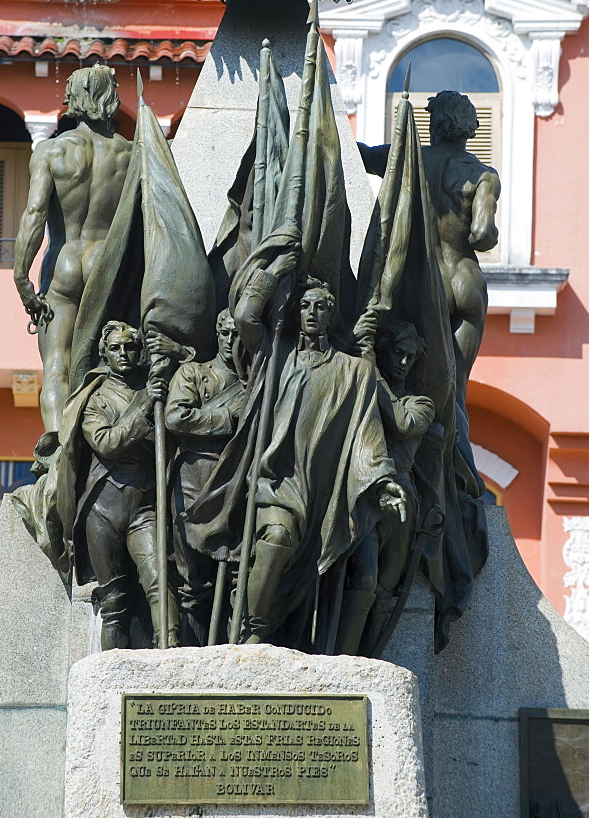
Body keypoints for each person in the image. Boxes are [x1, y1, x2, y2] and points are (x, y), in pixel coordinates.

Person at [232, 250, 398, 645]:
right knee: (275, 540)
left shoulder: (355, 371)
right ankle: (252, 633)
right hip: (275, 480)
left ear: (331, 313)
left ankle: (277, 627)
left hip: (324, 492)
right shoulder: (275, 356)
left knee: (301, 580)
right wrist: (272, 273)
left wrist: (382, 482)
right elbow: (245, 318)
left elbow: (367, 434)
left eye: (320, 307)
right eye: (304, 305)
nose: (310, 313)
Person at [358, 91, 501, 410]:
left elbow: (362, 156)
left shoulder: (409, 158)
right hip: (465, 280)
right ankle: (458, 458)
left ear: (434, 126)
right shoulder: (484, 176)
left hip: (423, 284)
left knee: (409, 378)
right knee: (455, 389)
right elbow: (481, 234)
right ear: (471, 129)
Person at [13, 64, 132, 433]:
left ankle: (56, 452)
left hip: (62, 264)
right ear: (109, 98)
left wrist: (21, 277)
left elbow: (33, 214)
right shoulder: (131, 155)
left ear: (74, 99)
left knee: (57, 366)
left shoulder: (51, 152)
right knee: (107, 363)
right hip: (107, 266)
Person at [75, 320, 180, 650]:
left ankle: (172, 658)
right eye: (116, 348)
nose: (123, 353)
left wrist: (174, 353)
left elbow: (193, 358)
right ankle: (112, 681)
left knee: (158, 581)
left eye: (130, 347)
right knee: (114, 602)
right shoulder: (95, 400)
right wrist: (145, 407)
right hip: (103, 509)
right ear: (105, 354)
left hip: (143, 507)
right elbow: (105, 443)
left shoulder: (156, 387)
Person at [336, 319, 437, 656]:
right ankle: (345, 660)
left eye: (410, 357)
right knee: (363, 579)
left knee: (384, 590)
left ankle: (369, 660)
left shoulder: (421, 403)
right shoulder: (363, 389)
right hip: (365, 491)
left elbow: (400, 422)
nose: (404, 362)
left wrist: (370, 370)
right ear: (385, 352)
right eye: (397, 353)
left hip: (402, 498)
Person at [165, 309, 246, 645]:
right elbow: (176, 416)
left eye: (238, 334)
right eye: (225, 333)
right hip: (192, 477)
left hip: (235, 481)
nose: (231, 341)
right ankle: (192, 658)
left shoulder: (255, 383)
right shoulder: (193, 373)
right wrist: (227, 418)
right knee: (193, 582)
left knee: (235, 579)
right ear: (217, 333)